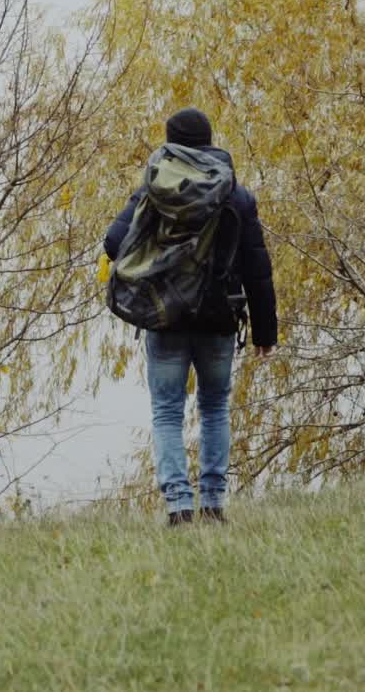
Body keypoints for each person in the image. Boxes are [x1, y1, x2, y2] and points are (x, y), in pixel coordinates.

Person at [102, 107, 277, 526]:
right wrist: (264, 332)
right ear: (209, 140)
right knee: (215, 407)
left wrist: (153, 255)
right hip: (219, 316)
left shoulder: (154, 188)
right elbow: (257, 268)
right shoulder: (237, 194)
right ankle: (214, 504)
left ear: (171, 140)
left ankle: (179, 507)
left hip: (166, 317)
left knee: (166, 411)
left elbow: (113, 241)